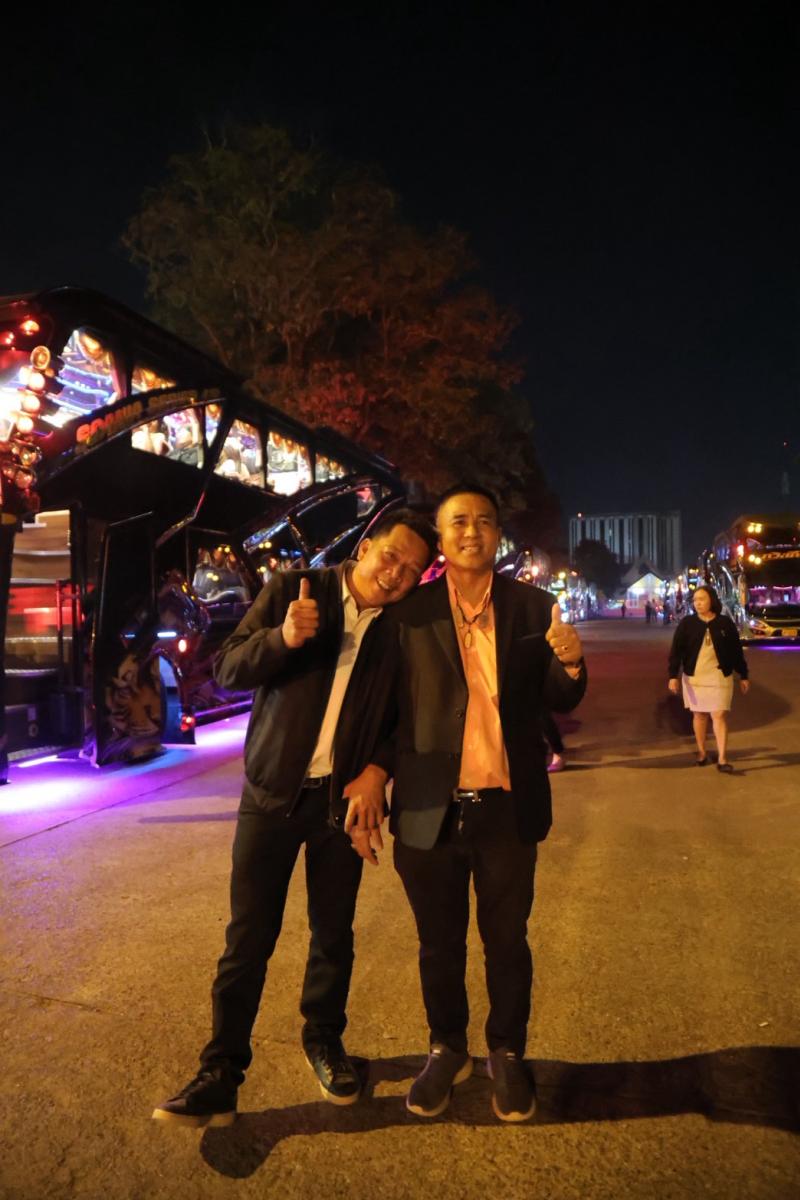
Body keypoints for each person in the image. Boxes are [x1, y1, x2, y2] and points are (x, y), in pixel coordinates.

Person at [152, 508, 437, 1128]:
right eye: (392, 556)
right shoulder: (294, 589)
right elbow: (227, 668)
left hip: (341, 805)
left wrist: (378, 770)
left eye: (412, 570)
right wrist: (282, 638)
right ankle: (220, 1073)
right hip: (271, 795)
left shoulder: (403, 628)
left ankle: (325, 1040)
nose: (397, 574)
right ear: (366, 546)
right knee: (248, 938)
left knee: (333, 933)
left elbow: (408, 716)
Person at [351, 484, 586, 1123]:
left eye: (484, 521)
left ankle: (506, 1051)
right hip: (430, 810)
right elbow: (388, 712)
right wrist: (371, 772)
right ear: (441, 536)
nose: (472, 531)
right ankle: (447, 1048)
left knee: (507, 941)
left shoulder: (533, 606)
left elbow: (560, 698)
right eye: (458, 521)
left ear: (497, 535)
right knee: (438, 945)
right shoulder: (409, 614)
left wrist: (571, 663)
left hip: (508, 808)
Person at [667, 584, 749, 772]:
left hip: (720, 676)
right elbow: (676, 651)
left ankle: (722, 758)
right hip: (695, 677)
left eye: (702, 599)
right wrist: (673, 675)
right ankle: (702, 752)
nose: (698, 603)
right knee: (700, 715)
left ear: (712, 600)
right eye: (695, 600)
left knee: (719, 714)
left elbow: (736, 651)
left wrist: (743, 674)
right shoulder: (687, 623)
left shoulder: (725, 623)